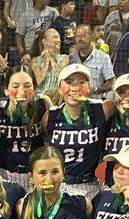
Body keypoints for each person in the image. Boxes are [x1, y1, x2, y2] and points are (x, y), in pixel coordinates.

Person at [42, 64, 117, 197]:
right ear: (60, 88)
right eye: (69, 83)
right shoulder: (50, 117)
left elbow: (124, 104)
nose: (75, 88)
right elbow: (46, 151)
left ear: (88, 88)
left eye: (81, 83)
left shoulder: (102, 109)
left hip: (90, 185)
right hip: (59, 185)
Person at [0, 67, 49, 188]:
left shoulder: (42, 105)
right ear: (6, 90)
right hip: (5, 175)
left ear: (35, 89)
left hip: (36, 175)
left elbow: (48, 140)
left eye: (27, 85)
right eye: (15, 86)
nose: (21, 91)